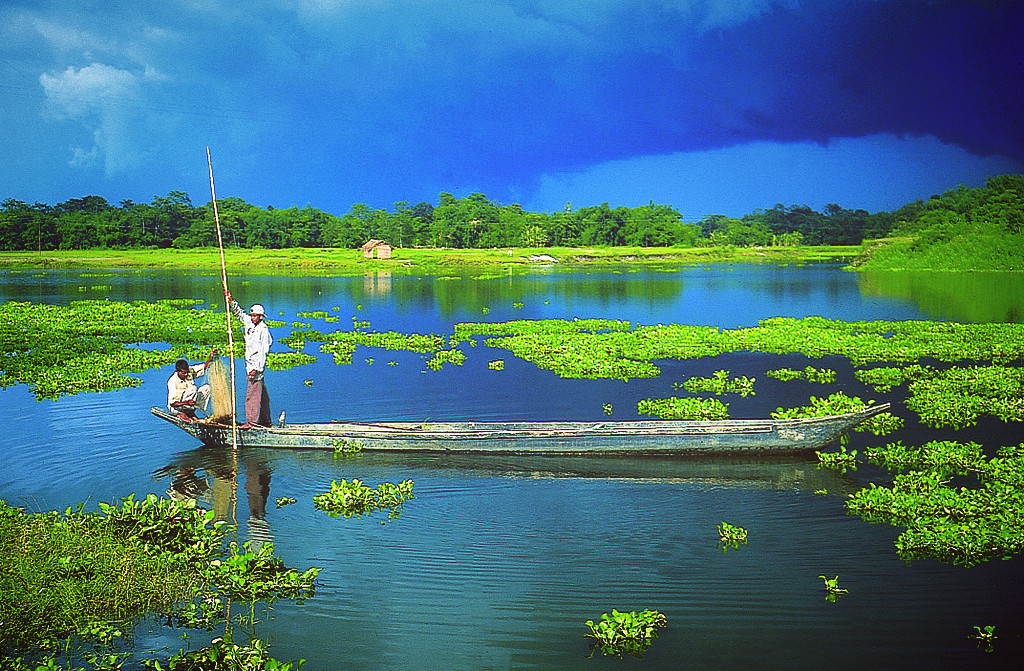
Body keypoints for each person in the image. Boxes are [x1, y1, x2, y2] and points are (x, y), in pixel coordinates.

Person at [226, 291, 273, 427]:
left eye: (254, 316)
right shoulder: (250, 323)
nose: (252, 317)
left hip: (255, 368)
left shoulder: (263, 330)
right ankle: (266, 421)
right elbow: (239, 314)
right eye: (251, 315)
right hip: (250, 365)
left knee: (251, 395)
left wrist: (256, 369)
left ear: (260, 317)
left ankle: (251, 422)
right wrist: (231, 301)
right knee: (261, 395)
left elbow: (263, 351)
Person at [167, 348, 217, 422]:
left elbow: (204, 367)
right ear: (177, 371)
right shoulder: (172, 382)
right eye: (184, 373)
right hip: (177, 408)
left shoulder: (189, 371)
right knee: (193, 388)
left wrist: (210, 357)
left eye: (187, 372)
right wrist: (187, 403)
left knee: (207, 388)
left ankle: (191, 412)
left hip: (189, 404)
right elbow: (172, 404)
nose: (186, 374)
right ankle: (183, 413)